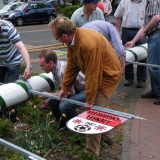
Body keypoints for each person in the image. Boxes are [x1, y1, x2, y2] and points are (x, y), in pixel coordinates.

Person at [49, 17, 122, 156]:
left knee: (93, 112)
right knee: (101, 108)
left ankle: (90, 152)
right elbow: (72, 65)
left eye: (56, 37)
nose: (57, 40)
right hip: (98, 73)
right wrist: (65, 89)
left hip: (108, 75)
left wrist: (89, 100)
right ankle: (108, 137)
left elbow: (93, 75)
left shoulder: (87, 44)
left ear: (64, 36)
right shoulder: (72, 41)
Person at [37, 49, 86, 130]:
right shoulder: (56, 68)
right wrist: (49, 99)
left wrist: (48, 95)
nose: (41, 68)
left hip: (86, 91)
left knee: (64, 105)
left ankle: (80, 126)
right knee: (52, 102)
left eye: (42, 65)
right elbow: (61, 89)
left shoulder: (61, 72)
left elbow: (70, 93)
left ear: (51, 63)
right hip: (75, 90)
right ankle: (64, 125)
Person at [124, 0, 160, 105]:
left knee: (154, 67)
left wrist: (144, 32)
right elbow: (145, 26)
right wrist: (133, 42)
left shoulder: (153, 1)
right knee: (153, 66)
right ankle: (155, 90)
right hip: (154, 36)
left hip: (156, 36)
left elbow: (156, 18)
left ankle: (158, 92)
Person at [114, 0, 147, 88]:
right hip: (126, 30)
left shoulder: (146, 2)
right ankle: (129, 78)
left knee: (142, 55)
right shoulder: (124, 1)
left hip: (142, 31)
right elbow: (118, 16)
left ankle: (141, 79)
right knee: (126, 54)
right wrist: (118, 30)